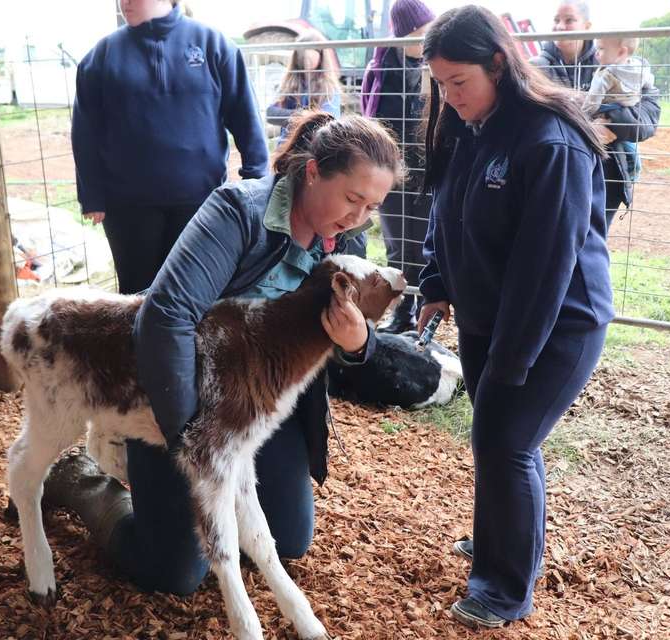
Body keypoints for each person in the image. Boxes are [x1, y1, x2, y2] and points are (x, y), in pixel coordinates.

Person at [40, 111, 404, 595]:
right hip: (180, 397)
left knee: (290, 539)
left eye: (372, 206)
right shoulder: (238, 210)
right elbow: (166, 316)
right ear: (313, 172)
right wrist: (188, 434)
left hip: (254, 403)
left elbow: (355, 336)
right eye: (353, 198)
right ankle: (82, 483)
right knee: (173, 573)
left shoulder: (345, 234)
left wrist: (358, 343)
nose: (359, 218)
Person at [417, 5, 614, 628]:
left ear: (498, 63)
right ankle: (503, 534)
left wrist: (512, 356)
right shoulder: (469, 124)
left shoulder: (549, 139)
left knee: (506, 439)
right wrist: (436, 281)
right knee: (499, 439)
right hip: (486, 314)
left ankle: (504, 587)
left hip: (555, 322)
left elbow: (546, 265)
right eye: (441, 85)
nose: (449, 98)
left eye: (459, 83)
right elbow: (443, 212)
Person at [72, 0, 268, 295]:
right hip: (129, 209)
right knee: (136, 297)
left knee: (197, 294)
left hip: (202, 202)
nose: (124, 2)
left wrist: (256, 179)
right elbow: (85, 132)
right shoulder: (101, 57)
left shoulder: (213, 44)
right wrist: (92, 195)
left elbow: (244, 115)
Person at [530, 0, 661, 226]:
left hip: (607, 170)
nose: (560, 27)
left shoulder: (623, 64)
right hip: (557, 171)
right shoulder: (536, 68)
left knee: (594, 243)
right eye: (556, 20)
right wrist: (588, 130)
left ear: (587, 25)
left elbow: (650, 115)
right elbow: (532, 121)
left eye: (569, 20)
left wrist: (610, 123)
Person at [361, 0, 436, 333]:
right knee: (397, 245)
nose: (426, 39)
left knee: (425, 245)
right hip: (390, 170)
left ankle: (426, 313)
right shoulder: (380, 69)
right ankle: (403, 314)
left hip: (426, 170)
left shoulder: (434, 67)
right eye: (421, 33)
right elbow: (371, 115)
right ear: (404, 33)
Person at [582, 37, 654, 181]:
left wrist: (584, 115)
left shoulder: (605, 74)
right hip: (630, 110)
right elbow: (649, 83)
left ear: (621, 52)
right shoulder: (640, 67)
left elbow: (593, 99)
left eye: (601, 49)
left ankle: (630, 170)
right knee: (629, 146)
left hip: (606, 109)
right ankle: (634, 171)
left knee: (614, 144)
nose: (596, 53)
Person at [266, 32, 342, 144]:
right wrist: (302, 115)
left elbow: (328, 120)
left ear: (321, 56)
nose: (306, 59)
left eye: (312, 52)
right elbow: (270, 113)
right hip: (287, 147)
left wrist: (296, 117)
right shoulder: (289, 84)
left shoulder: (329, 87)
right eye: (303, 53)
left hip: (314, 148)